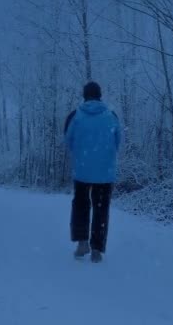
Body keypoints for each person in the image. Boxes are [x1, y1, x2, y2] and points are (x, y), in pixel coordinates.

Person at [64, 81, 121, 263]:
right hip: (105, 172)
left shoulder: (75, 116)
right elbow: (119, 141)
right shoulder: (111, 116)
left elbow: (68, 140)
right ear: (100, 95)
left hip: (82, 170)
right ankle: (97, 249)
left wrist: (81, 155)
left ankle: (82, 243)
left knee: (80, 205)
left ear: (84, 95)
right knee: (101, 208)